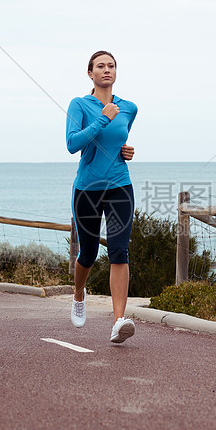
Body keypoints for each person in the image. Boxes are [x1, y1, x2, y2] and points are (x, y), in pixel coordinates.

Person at [66, 50, 138, 343]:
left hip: (120, 186)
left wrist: (126, 151)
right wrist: (103, 120)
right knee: (89, 252)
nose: (106, 70)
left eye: (111, 66)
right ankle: (78, 294)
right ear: (90, 73)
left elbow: (117, 142)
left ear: (116, 72)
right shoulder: (79, 104)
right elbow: (73, 144)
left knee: (120, 251)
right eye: (100, 66)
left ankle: (118, 321)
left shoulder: (129, 108)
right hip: (87, 189)